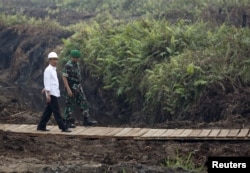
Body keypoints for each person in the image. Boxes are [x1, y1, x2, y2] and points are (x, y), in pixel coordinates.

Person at [62, 49, 97, 128]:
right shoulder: (68, 65)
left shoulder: (76, 64)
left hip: (78, 86)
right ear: (72, 57)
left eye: (78, 58)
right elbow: (64, 77)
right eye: (75, 58)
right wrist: (68, 89)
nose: (77, 59)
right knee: (70, 104)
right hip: (71, 86)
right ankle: (66, 121)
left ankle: (86, 119)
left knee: (83, 101)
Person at [37, 52, 71, 132]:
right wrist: (48, 93)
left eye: (56, 59)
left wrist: (45, 88)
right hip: (51, 94)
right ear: (50, 60)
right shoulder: (48, 70)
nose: (56, 61)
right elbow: (47, 81)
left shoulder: (53, 70)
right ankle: (63, 127)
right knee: (56, 111)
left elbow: (50, 82)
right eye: (54, 59)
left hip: (54, 92)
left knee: (48, 111)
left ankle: (41, 126)